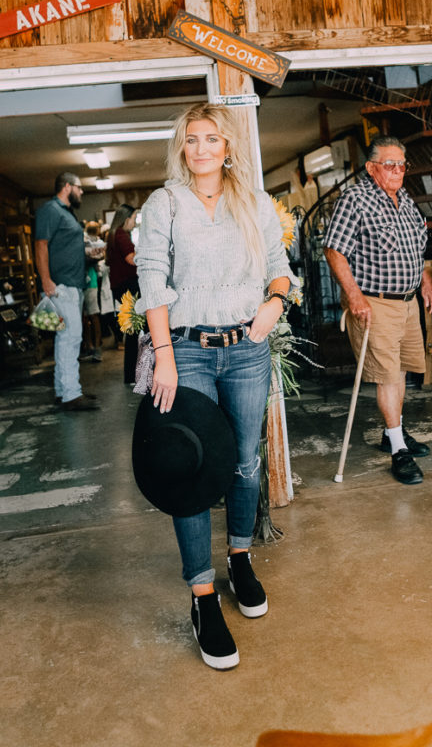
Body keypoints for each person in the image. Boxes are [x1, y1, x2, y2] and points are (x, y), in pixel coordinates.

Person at [134, 102, 296, 670]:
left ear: (228, 147)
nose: (202, 149)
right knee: (191, 469)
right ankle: (202, 597)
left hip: (247, 349)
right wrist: (164, 356)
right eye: (192, 140)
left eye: (212, 139)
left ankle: (242, 558)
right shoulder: (166, 205)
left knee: (246, 462)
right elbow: (151, 278)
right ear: (183, 148)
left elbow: (279, 265)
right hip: (186, 350)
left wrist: (275, 302)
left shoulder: (254, 203)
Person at [323, 136, 432, 486]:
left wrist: (425, 282)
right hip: (375, 301)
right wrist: (355, 296)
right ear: (372, 168)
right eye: (390, 164)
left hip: (407, 303)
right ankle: (398, 449)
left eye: (403, 164)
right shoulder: (356, 199)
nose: (398, 170)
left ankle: (393, 433)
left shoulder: (404, 199)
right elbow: (334, 251)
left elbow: (418, 250)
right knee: (387, 375)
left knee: (400, 370)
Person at [34, 173, 98, 411]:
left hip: (73, 284)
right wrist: (46, 280)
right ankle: (71, 394)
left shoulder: (66, 212)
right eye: (79, 188)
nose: (81, 193)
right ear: (67, 187)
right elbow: (41, 244)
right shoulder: (50, 210)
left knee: (68, 338)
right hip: (60, 286)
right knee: (70, 338)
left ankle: (64, 390)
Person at [106, 204, 139, 384]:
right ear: (126, 218)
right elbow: (131, 259)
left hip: (120, 286)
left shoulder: (114, 234)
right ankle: (132, 375)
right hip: (127, 286)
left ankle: (131, 375)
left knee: (133, 330)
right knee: (134, 331)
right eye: (133, 218)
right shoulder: (120, 234)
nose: (134, 222)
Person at [82, 220, 106, 362]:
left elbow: (98, 257)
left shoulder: (98, 242)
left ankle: (96, 347)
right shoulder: (84, 240)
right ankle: (90, 346)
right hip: (82, 281)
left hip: (90, 281)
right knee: (86, 316)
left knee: (92, 315)